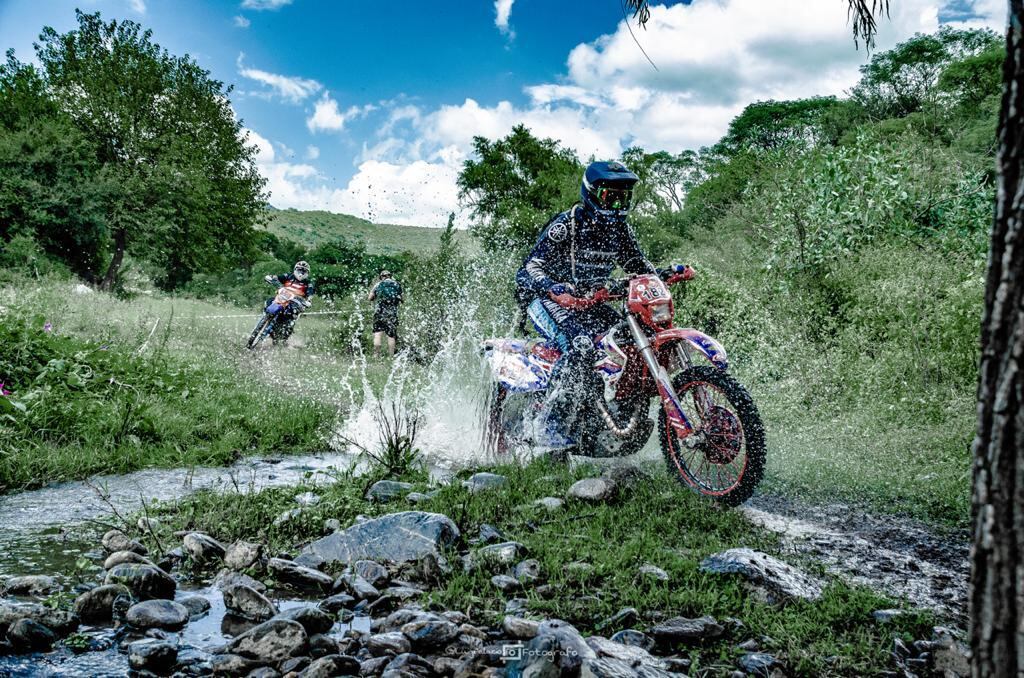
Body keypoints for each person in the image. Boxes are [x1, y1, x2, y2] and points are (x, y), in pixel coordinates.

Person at [515, 160, 657, 450]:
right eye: (610, 196)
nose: (618, 205)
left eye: (623, 197)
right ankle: (549, 428)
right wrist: (553, 289)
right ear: (592, 193)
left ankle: (606, 417)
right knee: (580, 346)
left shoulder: (621, 231)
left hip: (590, 302)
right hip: (548, 301)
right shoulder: (565, 225)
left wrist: (665, 274)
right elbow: (529, 268)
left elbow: (638, 266)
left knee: (627, 341)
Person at [263, 260, 315, 342]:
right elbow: (278, 277)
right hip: (282, 297)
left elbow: (310, 293)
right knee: (269, 301)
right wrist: (271, 277)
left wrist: (308, 301)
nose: (301, 273)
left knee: (292, 311)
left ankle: (287, 329)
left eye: (304, 271)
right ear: (295, 269)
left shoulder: (308, 283)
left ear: (307, 273)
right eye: (299, 270)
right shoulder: (288, 276)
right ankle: (265, 318)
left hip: (296, 302)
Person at [368, 269, 403, 357]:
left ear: (381, 277)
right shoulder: (397, 284)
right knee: (391, 336)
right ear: (390, 276)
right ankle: (391, 357)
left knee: (377, 334)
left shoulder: (378, 284)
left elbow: (370, 298)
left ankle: (376, 355)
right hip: (392, 314)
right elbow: (402, 299)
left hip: (379, 312)